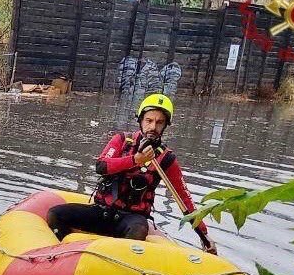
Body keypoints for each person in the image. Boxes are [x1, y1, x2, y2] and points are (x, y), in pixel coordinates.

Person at [46, 94, 217, 254]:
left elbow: (184, 199)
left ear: (165, 126)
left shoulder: (166, 159)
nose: (153, 127)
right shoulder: (122, 140)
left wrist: (204, 234)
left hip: (131, 219)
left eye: (159, 122)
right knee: (56, 214)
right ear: (141, 120)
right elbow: (101, 166)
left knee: (138, 230)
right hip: (102, 211)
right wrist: (136, 160)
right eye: (149, 120)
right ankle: (60, 257)